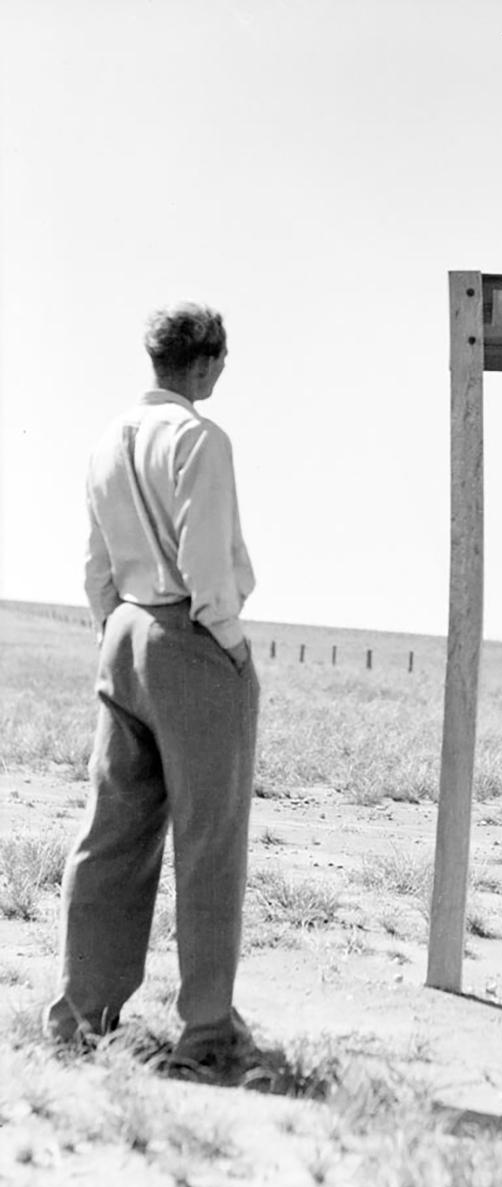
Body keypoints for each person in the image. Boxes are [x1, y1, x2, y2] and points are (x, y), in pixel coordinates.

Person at [46, 302, 260, 1074]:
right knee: (210, 839)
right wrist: (230, 646)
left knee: (112, 832)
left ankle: (81, 1016)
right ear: (206, 363)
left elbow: (94, 565)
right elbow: (206, 563)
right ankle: (206, 1031)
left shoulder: (107, 440)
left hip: (125, 633)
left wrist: (114, 630)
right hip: (187, 638)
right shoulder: (200, 439)